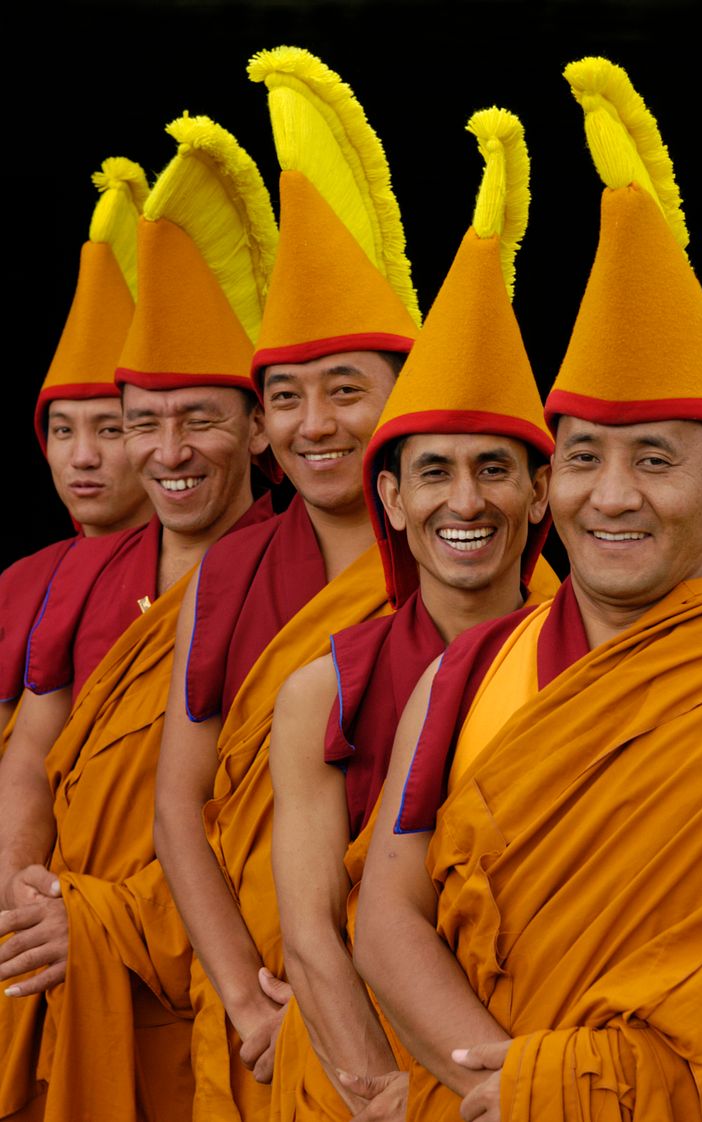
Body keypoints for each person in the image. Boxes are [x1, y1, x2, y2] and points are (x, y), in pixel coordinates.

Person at [354, 57, 702, 1122]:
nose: (609, 495)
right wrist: (515, 1089)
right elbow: (385, 912)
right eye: (579, 458)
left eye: (655, 460)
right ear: (545, 483)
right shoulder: (470, 669)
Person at [267, 105, 558, 1122]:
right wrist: (383, 1095)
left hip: (552, 1072)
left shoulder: (607, 663)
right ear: (389, 500)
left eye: (493, 470)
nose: (464, 502)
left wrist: (523, 1090)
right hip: (367, 1080)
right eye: (430, 473)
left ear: (542, 492)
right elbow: (310, 928)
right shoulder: (321, 689)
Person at [153, 46, 421, 1121]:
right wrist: (243, 998)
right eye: (289, 397)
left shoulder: (475, 558)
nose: (317, 425)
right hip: (270, 1005)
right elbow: (180, 802)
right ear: (260, 423)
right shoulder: (233, 568)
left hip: (433, 989)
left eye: (346, 391)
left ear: (406, 397)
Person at [0, 113, 278, 1121]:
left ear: (256, 427)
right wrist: (21, 904)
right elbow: (32, 757)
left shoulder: (292, 575)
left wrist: (114, 920)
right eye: (139, 423)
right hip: (62, 968)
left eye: (198, 418)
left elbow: (280, 823)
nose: (165, 450)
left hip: (208, 974)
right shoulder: (85, 572)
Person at [0, 159, 153, 739]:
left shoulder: (204, 571)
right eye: (63, 431)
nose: (81, 457)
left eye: (109, 430)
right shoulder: (20, 584)